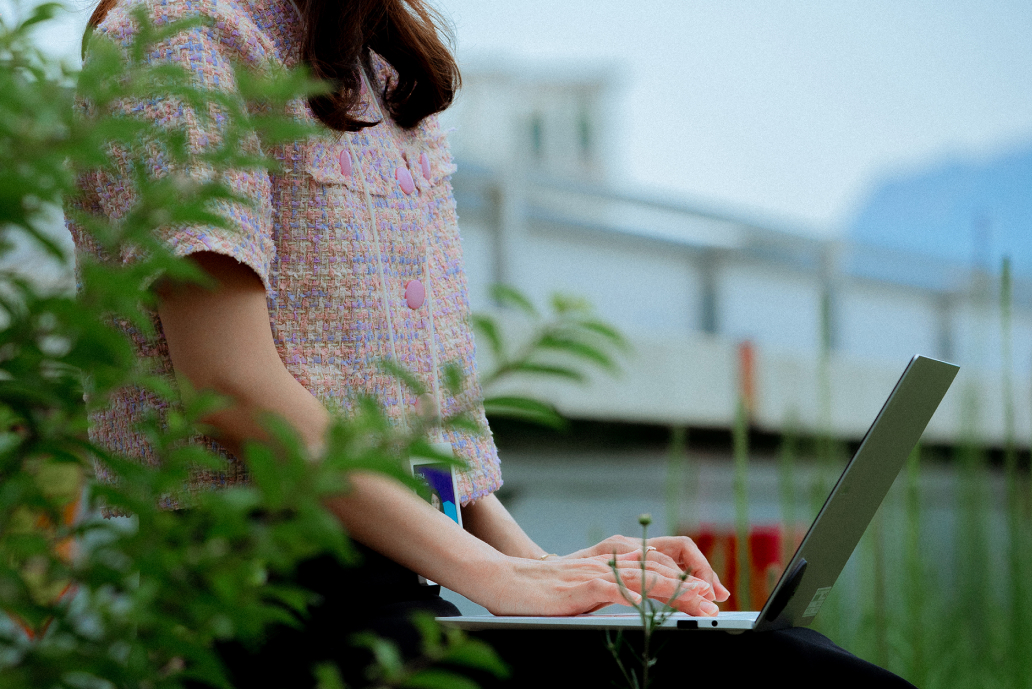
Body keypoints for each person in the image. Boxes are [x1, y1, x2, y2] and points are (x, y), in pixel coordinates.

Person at [69, 0, 916, 687]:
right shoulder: (174, 38)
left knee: (786, 662)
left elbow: (421, 426)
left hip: (417, 583)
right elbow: (232, 384)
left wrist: (543, 568)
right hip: (271, 604)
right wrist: (503, 580)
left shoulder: (386, 67)